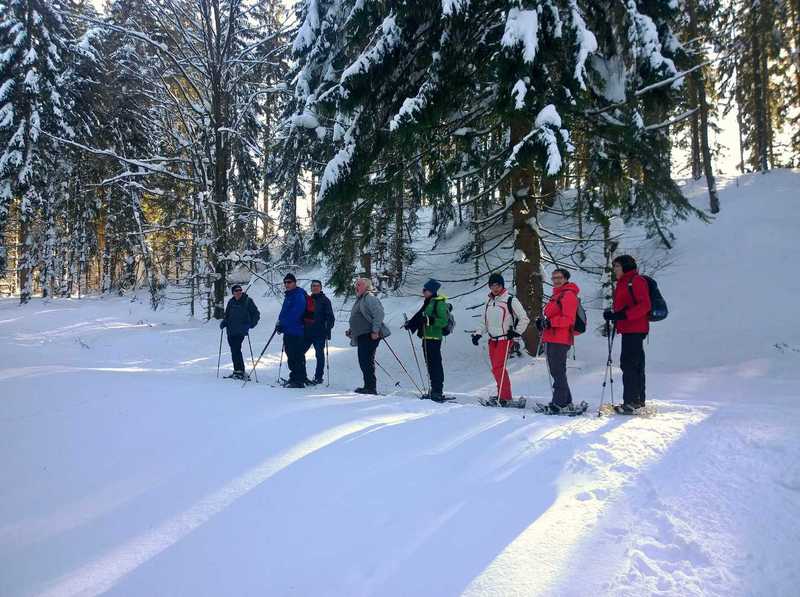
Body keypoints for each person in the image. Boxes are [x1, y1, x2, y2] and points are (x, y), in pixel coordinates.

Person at [470, 273, 530, 406]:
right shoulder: (489, 301)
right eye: (492, 286)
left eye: (497, 285)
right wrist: (478, 333)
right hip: (492, 340)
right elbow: (484, 321)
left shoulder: (510, 300)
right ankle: (501, 394)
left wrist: (516, 332)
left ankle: (505, 397)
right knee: (496, 368)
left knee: (498, 367)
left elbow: (524, 318)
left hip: (505, 339)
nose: (495, 288)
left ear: (502, 285)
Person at [603, 255, 651, 413]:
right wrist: (614, 315)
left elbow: (645, 305)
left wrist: (623, 315)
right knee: (633, 364)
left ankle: (632, 402)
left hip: (635, 329)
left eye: (617, 266)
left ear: (625, 266)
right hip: (629, 329)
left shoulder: (636, 281)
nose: (614, 269)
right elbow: (624, 307)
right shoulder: (623, 282)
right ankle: (636, 401)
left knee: (630, 364)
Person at [536, 268, 580, 413]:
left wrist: (550, 323)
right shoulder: (557, 295)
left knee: (557, 371)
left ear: (566, 279)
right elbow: (550, 315)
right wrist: (542, 322)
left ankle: (559, 403)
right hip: (552, 337)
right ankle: (565, 401)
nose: (556, 280)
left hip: (560, 338)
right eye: (554, 278)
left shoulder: (568, 295)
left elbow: (569, 319)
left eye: (559, 278)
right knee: (557, 371)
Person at [403, 278, 449, 401]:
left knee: (435, 365)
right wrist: (410, 324)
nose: (423, 291)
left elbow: (443, 321)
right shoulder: (428, 302)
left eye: (425, 290)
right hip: (426, 337)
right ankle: (434, 389)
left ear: (432, 291)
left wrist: (430, 320)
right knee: (430, 365)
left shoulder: (439, 302)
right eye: (423, 289)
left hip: (434, 337)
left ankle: (437, 391)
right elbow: (420, 316)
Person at [346, 277, 389, 394]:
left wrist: (375, 331)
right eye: (356, 285)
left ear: (366, 287)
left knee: (366, 361)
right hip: (363, 335)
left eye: (359, 285)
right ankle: (368, 386)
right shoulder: (361, 299)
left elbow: (379, 314)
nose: (356, 287)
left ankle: (370, 387)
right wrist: (352, 330)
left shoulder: (369, 298)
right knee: (364, 361)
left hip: (369, 335)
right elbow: (359, 317)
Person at [219, 284, 260, 380]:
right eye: (236, 291)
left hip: (241, 330)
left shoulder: (247, 301)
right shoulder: (231, 302)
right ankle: (237, 370)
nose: (238, 292)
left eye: (240, 290)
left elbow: (256, 314)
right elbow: (227, 315)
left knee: (236, 349)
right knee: (234, 350)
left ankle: (240, 371)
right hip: (231, 330)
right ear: (233, 293)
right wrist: (224, 322)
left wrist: (250, 325)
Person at [277, 273, 309, 388]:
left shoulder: (298, 295)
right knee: (292, 355)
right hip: (289, 330)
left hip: (296, 330)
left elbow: (295, 313)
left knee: (295, 355)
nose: (287, 284)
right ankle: (297, 377)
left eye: (289, 282)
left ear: (295, 283)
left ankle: (298, 380)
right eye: (285, 282)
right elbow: (285, 312)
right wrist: (279, 323)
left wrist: (283, 324)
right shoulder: (289, 295)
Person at [303, 279, 335, 385]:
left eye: (317, 286)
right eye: (313, 286)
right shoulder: (307, 299)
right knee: (300, 353)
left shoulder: (325, 300)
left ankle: (318, 377)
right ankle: (302, 375)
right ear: (311, 288)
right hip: (307, 332)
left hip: (319, 333)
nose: (315, 287)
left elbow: (330, 317)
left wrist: (327, 330)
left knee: (319, 355)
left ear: (320, 288)